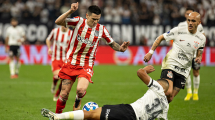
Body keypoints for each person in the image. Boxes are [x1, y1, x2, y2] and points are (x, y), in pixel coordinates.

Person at [54, 2, 130, 113]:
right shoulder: (78, 21)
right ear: (87, 15)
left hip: (86, 64)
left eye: (98, 19)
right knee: (64, 94)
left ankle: (78, 98)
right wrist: (70, 11)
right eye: (93, 19)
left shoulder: (101, 29)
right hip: (71, 62)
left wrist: (121, 49)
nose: (95, 22)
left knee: (80, 90)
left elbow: (112, 43)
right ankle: (57, 115)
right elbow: (58, 22)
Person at [41, 65, 169, 120]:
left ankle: (58, 116)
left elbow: (140, 73)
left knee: (92, 114)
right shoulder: (165, 106)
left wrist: (145, 69)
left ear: (160, 85)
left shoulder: (157, 88)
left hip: (129, 112)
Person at [144, 12, 206, 103]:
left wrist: (199, 57)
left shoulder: (201, 38)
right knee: (168, 91)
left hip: (184, 70)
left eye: (193, 21)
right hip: (171, 64)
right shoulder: (178, 31)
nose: (190, 23)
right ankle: (148, 100)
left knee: (170, 98)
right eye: (188, 20)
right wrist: (150, 52)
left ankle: (155, 110)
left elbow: (199, 52)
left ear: (199, 23)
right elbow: (160, 37)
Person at [178, 8, 205, 101]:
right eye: (187, 13)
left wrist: (199, 53)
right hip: (185, 54)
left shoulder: (198, 26)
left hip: (195, 54)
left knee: (196, 73)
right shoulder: (181, 25)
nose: (189, 15)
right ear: (185, 15)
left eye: (190, 13)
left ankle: (195, 93)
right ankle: (189, 92)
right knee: (187, 73)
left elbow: (203, 37)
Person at [46, 26, 72, 101]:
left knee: (64, 78)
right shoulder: (55, 31)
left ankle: (57, 94)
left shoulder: (71, 33)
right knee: (58, 76)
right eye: (62, 24)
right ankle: (54, 84)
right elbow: (48, 39)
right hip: (56, 58)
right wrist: (49, 48)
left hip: (66, 59)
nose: (64, 26)